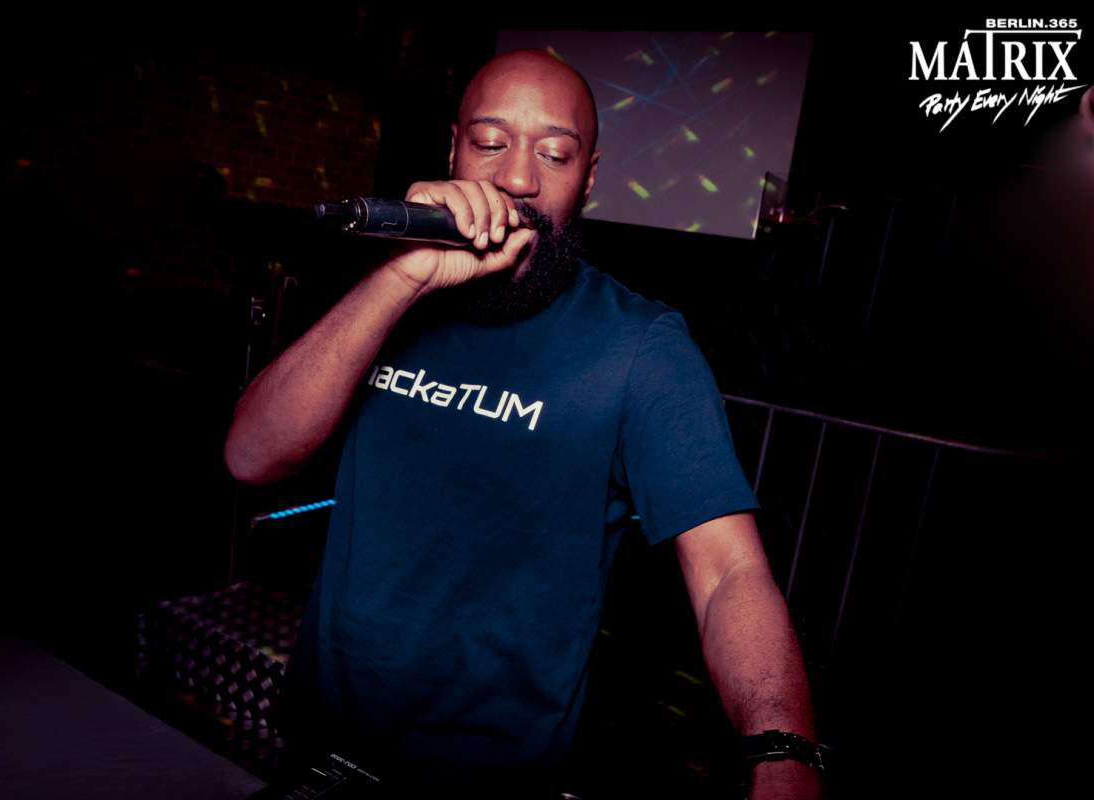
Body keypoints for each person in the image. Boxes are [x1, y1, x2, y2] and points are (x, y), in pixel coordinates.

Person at [224, 48, 823, 800]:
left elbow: (729, 573)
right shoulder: (383, 298)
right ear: (452, 150)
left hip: (490, 776)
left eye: (554, 154)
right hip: (324, 741)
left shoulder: (639, 347)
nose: (516, 178)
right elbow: (251, 457)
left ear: (589, 178)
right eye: (490, 142)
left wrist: (784, 754)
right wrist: (402, 276)